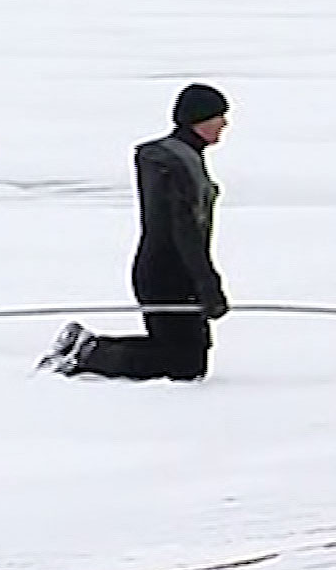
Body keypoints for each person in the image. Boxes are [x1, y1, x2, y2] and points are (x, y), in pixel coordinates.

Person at [39, 83, 232, 381]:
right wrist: (206, 282)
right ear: (199, 119)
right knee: (183, 365)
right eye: (219, 116)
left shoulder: (179, 157)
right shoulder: (177, 164)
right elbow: (184, 230)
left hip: (166, 269)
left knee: (184, 354)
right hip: (169, 271)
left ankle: (87, 347)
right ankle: (90, 352)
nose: (225, 123)